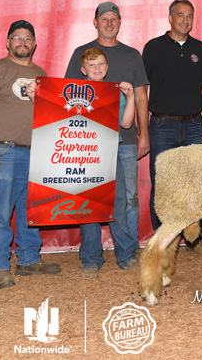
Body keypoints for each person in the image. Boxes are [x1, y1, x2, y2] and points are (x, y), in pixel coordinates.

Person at [0, 20, 61, 289]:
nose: (23, 42)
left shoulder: (40, 74)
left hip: (35, 151)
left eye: (28, 38)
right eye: (17, 38)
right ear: (8, 43)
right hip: (4, 150)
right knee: (0, 211)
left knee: (30, 210)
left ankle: (29, 259)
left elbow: (48, 114)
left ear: (34, 44)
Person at [64, 1, 149, 269]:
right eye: (104, 18)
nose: (109, 23)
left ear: (120, 22)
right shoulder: (81, 53)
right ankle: (91, 257)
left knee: (125, 199)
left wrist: (142, 132)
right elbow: (64, 98)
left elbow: (138, 100)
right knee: (89, 199)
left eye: (114, 18)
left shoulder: (132, 55)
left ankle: (127, 252)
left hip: (120, 144)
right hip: (86, 150)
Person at [36, 48, 135, 277]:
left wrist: (130, 97)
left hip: (109, 152)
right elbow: (53, 116)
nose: (97, 68)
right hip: (83, 156)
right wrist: (37, 95)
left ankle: (127, 255)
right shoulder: (67, 93)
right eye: (92, 65)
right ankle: (91, 258)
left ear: (107, 66)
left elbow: (127, 124)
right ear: (83, 69)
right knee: (88, 207)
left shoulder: (114, 92)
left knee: (118, 204)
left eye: (100, 64)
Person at [142, 0, 202, 232]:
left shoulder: (200, 48)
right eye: (181, 15)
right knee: (162, 183)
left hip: (194, 124)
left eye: (190, 16)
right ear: (170, 18)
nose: (185, 20)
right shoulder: (153, 47)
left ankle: (192, 235)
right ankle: (161, 236)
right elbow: (141, 90)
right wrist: (142, 128)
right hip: (161, 126)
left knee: (195, 182)